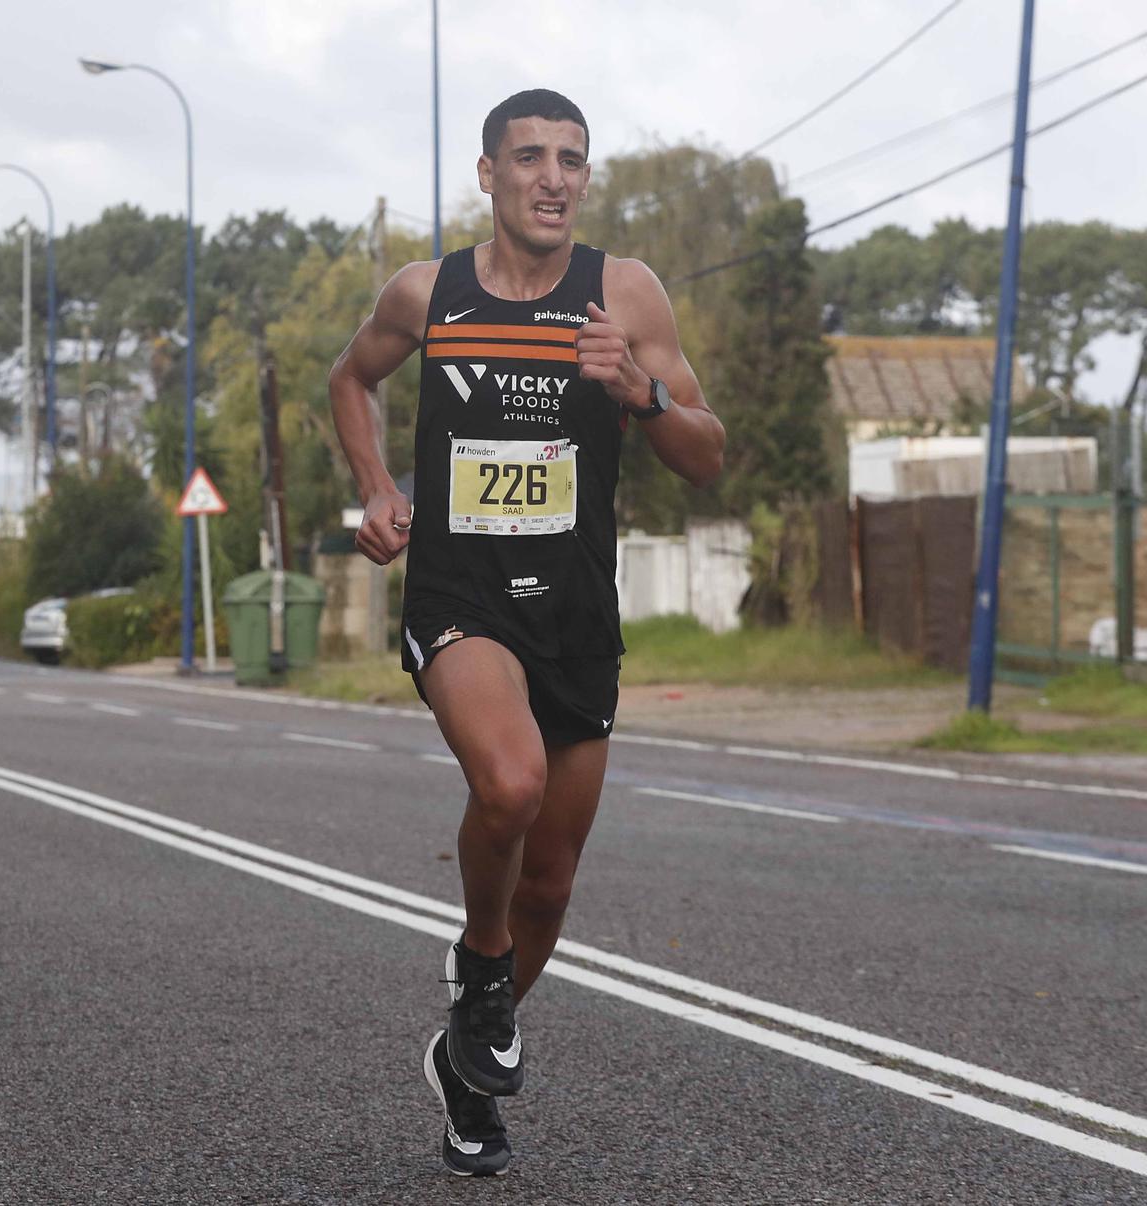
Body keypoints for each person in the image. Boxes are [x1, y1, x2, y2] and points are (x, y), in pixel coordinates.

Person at [327, 88, 725, 1176]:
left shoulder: (623, 294)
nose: (553, 177)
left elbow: (703, 453)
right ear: (489, 175)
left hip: (575, 614)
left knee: (549, 881)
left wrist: (638, 392)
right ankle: (481, 970)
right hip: (461, 599)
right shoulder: (429, 293)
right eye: (530, 157)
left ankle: (466, 1057)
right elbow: (349, 381)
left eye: (572, 160)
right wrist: (374, 489)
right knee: (508, 785)